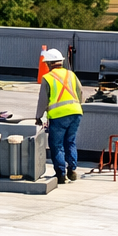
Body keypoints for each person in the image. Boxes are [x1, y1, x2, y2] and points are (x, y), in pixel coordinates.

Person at [35, 49, 83, 185]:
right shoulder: (71, 74)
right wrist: (75, 107)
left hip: (59, 116)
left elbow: (43, 100)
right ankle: (72, 169)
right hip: (76, 112)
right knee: (70, 142)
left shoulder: (47, 78)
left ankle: (61, 174)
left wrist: (38, 116)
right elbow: (80, 92)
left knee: (56, 144)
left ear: (49, 63)